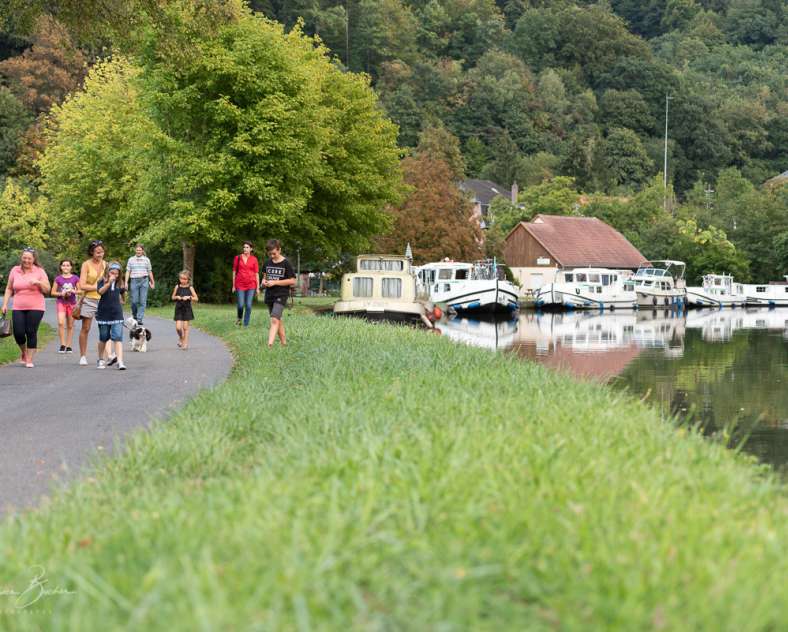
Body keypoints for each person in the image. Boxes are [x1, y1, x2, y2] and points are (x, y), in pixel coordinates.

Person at [1, 247, 51, 368]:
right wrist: (5, 304)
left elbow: (48, 289)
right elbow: (9, 288)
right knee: (18, 333)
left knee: (31, 331)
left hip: (36, 306)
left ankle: (29, 359)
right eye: (24, 257)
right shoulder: (15, 270)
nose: (26, 260)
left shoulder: (39, 271)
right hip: (18, 306)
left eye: (29, 258)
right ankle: (23, 352)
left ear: (34, 259)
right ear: (21, 258)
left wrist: (38, 282)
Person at [261, 239, 295, 348]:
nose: (272, 256)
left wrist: (275, 282)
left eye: (274, 253)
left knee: (274, 319)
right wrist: (264, 283)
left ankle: (269, 345)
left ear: (279, 250)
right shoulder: (267, 263)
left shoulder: (286, 263)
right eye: (270, 254)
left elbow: (293, 281)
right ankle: (284, 343)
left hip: (281, 294)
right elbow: (264, 278)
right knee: (277, 319)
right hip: (270, 295)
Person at [78, 240, 107, 366]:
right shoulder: (86, 264)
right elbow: (82, 285)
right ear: (92, 252)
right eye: (97, 252)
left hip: (104, 300)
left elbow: (110, 282)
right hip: (89, 299)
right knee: (86, 328)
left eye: (102, 252)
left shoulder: (106, 264)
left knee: (106, 328)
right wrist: (98, 286)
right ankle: (83, 356)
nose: (100, 254)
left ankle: (107, 355)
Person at [96, 261, 126, 370]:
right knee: (103, 337)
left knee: (117, 337)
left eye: (116, 273)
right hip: (103, 313)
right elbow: (100, 292)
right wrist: (108, 283)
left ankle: (120, 361)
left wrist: (123, 299)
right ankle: (100, 359)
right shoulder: (101, 281)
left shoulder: (120, 282)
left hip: (117, 313)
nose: (114, 275)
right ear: (108, 272)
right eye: (112, 273)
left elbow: (123, 292)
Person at [51, 259, 80, 353]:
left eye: (68, 265)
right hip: (61, 302)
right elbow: (52, 292)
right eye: (63, 265)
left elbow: (80, 291)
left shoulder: (75, 278)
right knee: (60, 322)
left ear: (71, 267)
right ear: (60, 267)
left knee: (70, 325)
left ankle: (69, 346)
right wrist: (61, 293)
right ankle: (62, 345)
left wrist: (73, 291)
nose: (66, 267)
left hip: (72, 303)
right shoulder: (58, 279)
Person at [231, 241, 259, 327]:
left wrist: (257, 287)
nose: (245, 249)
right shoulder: (237, 258)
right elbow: (234, 272)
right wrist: (233, 285)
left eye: (247, 247)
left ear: (251, 249)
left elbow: (256, 273)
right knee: (240, 305)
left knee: (249, 305)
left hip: (251, 285)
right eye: (244, 247)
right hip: (240, 284)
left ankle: (246, 324)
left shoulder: (254, 259)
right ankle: (239, 318)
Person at [125, 243, 154, 324]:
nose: (138, 251)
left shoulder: (146, 260)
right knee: (134, 301)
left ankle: (139, 319)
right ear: (135, 250)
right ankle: (134, 315)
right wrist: (126, 282)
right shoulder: (131, 259)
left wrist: (152, 282)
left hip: (144, 280)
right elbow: (128, 271)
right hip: (134, 281)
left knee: (142, 301)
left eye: (140, 250)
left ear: (142, 251)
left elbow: (149, 271)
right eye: (137, 250)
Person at [172, 270, 198, 350]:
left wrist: (189, 297)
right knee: (178, 328)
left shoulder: (190, 287)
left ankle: (185, 343)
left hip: (187, 309)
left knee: (185, 328)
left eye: (185, 279)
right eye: (181, 278)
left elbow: (196, 298)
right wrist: (177, 297)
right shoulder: (177, 287)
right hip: (179, 308)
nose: (183, 280)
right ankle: (181, 337)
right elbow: (172, 297)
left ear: (188, 279)